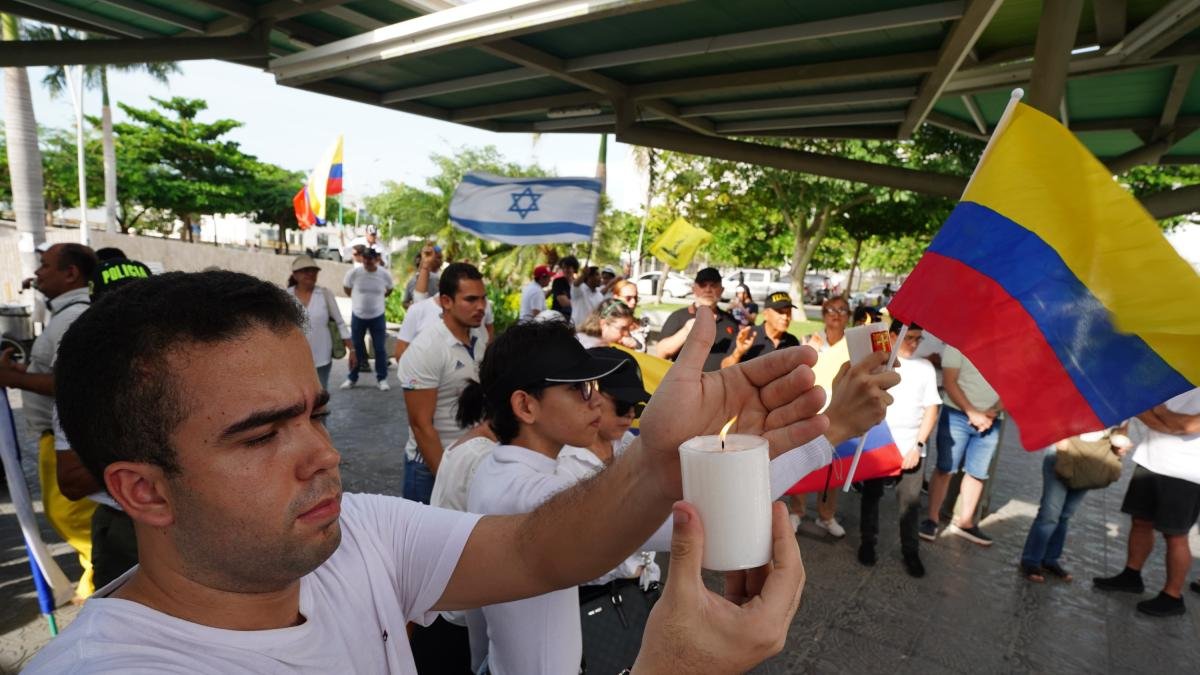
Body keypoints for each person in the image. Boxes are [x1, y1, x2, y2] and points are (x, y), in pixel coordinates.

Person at [29, 269, 885, 674]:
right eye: (261, 436)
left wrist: (662, 461)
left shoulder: (356, 536)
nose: (324, 453)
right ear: (143, 489)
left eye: (316, 414)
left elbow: (542, 549)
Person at [462, 318, 898, 674]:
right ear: (526, 406)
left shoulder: (496, 472)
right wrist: (833, 428)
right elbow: (702, 515)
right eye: (580, 388)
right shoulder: (521, 495)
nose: (595, 401)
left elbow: (476, 618)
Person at [0, 243, 99, 601]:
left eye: (45, 265)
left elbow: (68, 381)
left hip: (65, 436)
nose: (37, 273)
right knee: (65, 514)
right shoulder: (64, 314)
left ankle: (105, 573)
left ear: (71, 273)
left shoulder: (74, 317)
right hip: (53, 434)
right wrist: (21, 373)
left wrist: (12, 379)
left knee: (68, 514)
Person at [51, 255, 155, 590]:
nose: (133, 318)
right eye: (116, 308)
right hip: (127, 530)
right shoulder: (82, 382)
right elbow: (70, 481)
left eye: (145, 304)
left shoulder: (197, 365)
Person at [1093, 388, 1200, 616]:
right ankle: (1131, 575)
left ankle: (1172, 595)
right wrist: (1166, 423)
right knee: (1140, 521)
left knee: (1175, 534)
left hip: (1187, 471)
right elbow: (1140, 407)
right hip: (1151, 459)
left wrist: (1160, 412)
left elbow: (1188, 426)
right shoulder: (1169, 377)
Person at [397, 263, 489, 506]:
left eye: (483, 298)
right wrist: (446, 480)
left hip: (471, 461)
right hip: (430, 468)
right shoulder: (427, 349)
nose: (481, 306)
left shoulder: (480, 337)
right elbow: (421, 426)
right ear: (446, 301)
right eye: (471, 299)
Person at [858, 321, 940, 578]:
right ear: (893, 336)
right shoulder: (880, 365)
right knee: (871, 497)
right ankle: (867, 542)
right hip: (878, 444)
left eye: (918, 339)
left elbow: (931, 409)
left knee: (910, 504)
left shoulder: (925, 368)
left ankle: (910, 551)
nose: (914, 344)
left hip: (911, 448)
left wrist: (918, 445)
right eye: (909, 338)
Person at [920, 345, 1004, 546]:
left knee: (978, 472)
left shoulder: (1009, 348)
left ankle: (965, 522)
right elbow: (949, 381)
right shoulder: (959, 343)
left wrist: (993, 411)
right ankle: (932, 518)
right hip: (956, 414)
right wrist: (973, 413)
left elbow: (1014, 383)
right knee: (945, 468)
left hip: (992, 419)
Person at [1021, 431, 1129, 583]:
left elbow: (1121, 431)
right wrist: (1060, 440)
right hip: (1063, 449)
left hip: (1091, 459)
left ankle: (1050, 559)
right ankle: (1031, 561)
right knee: (1050, 514)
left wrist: (1120, 445)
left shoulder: (1120, 415)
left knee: (1065, 515)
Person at [793, 295, 854, 538]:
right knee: (801, 460)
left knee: (832, 464)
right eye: (831, 309)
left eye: (842, 310)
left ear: (848, 315)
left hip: (838, 409)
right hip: (810, 406)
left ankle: (826, 515)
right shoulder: (812, 339)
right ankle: (796, 511)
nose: (836, 314)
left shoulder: (852, 344)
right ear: (823, 313)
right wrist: (809, 351)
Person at [287, 255, 354, 391]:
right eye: (305, 271)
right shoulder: (285, 296)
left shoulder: (324, 294)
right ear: (295, 275)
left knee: (320, 393)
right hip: (293, 357)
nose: (310, 274)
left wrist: (352, 350)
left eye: (314, 271)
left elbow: (340, 323)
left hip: (322, 356)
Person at [655, 267, 737, 372]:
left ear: (721, 290)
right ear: (694, 289)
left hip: (719, 381)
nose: (708, 290)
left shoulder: (730, 321)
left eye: (713, 285)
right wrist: (686, 330)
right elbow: (661, 352)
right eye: (703, 285)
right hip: (684, 380)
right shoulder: (678, 316)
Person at [340, 248, 393, 391]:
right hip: (358, 315)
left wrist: (378, 298)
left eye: (370, 259)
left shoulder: (384, 274)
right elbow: (347, 288)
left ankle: (382, 379)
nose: (367, 262)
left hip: (378, 315)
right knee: (355, 347)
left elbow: (389, 289)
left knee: (380, 348)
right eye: (365, 258)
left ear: (376, 259)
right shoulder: (354, 273)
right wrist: (357, 299)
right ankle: (352, 377)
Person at [721, 291, 799, 368]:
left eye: (788, 312)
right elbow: (724, 367)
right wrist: (738, 352)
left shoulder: (792, 341)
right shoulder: (748, 335)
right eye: (780, 312)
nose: (785, 317)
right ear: (765, 314)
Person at [612, 279, 650, 351]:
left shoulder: (643, 324)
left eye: (635, 298)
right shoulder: (607, 325)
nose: (633, 302)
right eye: (628, 298)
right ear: (616, 298)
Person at [404, 242, 444, 307]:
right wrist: (415, 307)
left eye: (441, 258)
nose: (441, 261)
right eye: (438, 258)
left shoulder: (442, 277)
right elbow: (406, 302)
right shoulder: (413, 281)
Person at [549, 255, 579, 320]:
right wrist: (579, 302)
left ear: (574, 269)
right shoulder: (558, 282)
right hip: (558, 319)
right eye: (563, 268)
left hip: (574, 318)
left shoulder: (577, 283)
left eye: (568, 268)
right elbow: (564, 303)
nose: (565, 270)